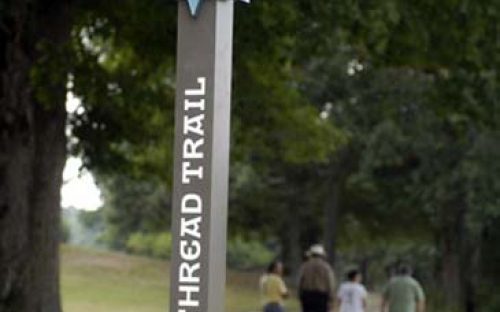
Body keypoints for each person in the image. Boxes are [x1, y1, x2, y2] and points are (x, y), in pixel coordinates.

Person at [298, 244, 336, 312]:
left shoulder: (305, 266)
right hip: (321, 297)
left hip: (307, 296)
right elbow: (330, 284)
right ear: (322, 255)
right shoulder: (326, 267)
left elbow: (300, 282)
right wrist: (331, 298)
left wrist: (300, 296)